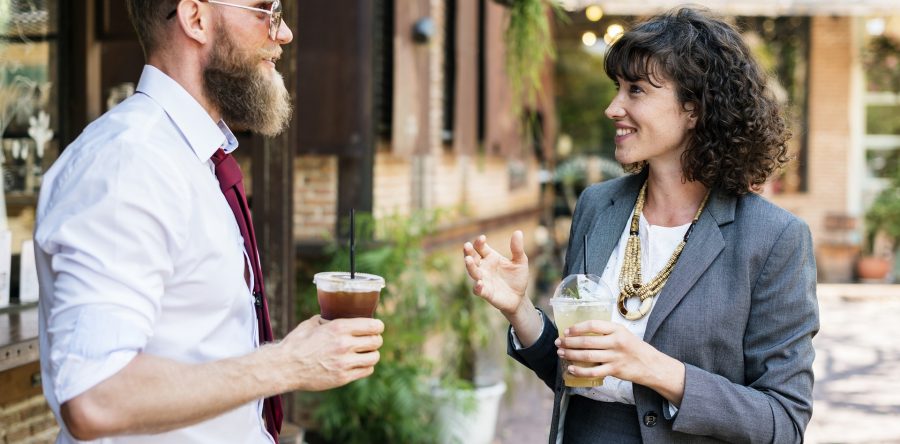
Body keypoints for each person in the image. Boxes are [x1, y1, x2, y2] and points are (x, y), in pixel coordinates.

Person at [463, 7, 818, 443]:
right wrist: (518, 309)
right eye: (618, 89)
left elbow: (782, 420)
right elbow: (572, 373)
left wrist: (654, 368)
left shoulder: (774, 237)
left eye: (636, 90)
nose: (614, 107)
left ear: (694, 107)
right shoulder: (598, 205)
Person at [34, 1, 384, 442]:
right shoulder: (128, 162)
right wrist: (289, 363)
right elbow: (95, 396)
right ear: (195, 18)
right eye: (266, 9)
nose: (284, 34)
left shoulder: (191, 158)